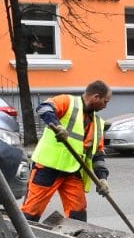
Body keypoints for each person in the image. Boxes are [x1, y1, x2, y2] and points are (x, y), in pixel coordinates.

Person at [22, 80, 113, 223]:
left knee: (78, 213)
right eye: (105, 102)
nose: (105, 106)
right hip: (47, 168)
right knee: (31, 212)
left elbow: (97, 154)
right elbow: (44, 108)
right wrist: (57, 126)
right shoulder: (68, 102)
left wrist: (102, 178)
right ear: (96, 97)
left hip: (73, 171)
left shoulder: (98, 123)